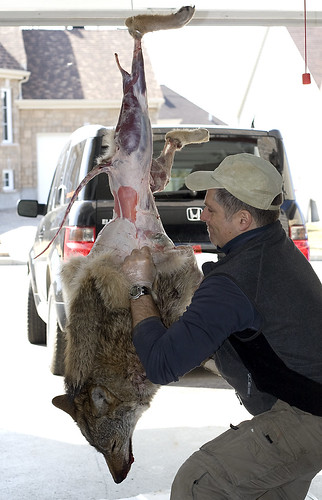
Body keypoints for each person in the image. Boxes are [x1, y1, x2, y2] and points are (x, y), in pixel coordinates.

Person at [122, 153, 322, 499]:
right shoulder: (275, 249)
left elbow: (161, 364)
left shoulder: (235, 281)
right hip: (309, 409)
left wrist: (140, 287)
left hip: (305, 418)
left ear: (243, 219)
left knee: (198, 482)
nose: (202, 217)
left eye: (210, 209)